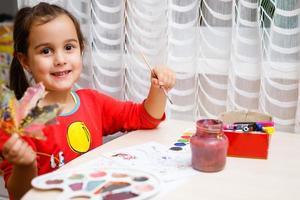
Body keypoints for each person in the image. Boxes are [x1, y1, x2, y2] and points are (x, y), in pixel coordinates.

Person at [0, 2, 175, 199]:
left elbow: (145, 118)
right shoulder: (18, 123)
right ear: (25, 61)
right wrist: (25, 166)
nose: (60, 59)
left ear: (80, 49)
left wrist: (159, 88)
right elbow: (19, 194)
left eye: (68, 47)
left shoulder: (93, 102)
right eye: (46, 51)